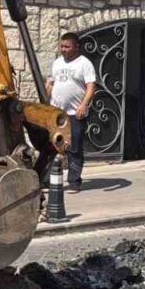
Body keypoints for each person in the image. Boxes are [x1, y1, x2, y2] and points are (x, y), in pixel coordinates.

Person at [46, 32, 97, 192]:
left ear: (76, 47)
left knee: (74, 148)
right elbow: (51, 83)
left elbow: (91, 86)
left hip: (75, 113)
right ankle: (47, 180)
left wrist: (83, 105)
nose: (63, 49)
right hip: (57, 113)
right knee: (52, 146)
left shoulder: (84, 64)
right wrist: (48, 92)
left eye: (67, 47)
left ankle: (74, 182)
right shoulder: (57, 63)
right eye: (62, 46)